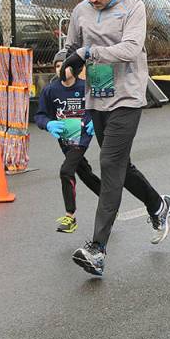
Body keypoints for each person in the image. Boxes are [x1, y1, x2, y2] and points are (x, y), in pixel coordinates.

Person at [60, 0, 170, 277]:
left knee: (109, 163)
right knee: (121, 164)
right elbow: (70, 48)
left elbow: (130, 49)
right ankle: (157, 205)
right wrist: (65, 67)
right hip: (97, 97)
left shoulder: (133, 7)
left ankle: (97, 249)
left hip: (127, 98)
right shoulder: (81, 11)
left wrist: (89, 53)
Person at [35, 51, 101, 233]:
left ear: (76, 68)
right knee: (85, 173)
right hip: (64, 140)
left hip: (82, 136)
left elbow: (99, 105)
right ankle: (109, 201)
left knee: (66, 171)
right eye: (57, 66)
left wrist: (94, 120)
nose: (61, 69)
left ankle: (70, 216)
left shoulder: (85, 87)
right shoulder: (50, 90)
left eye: (65, 65)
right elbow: (40, 115)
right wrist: (48, 124)